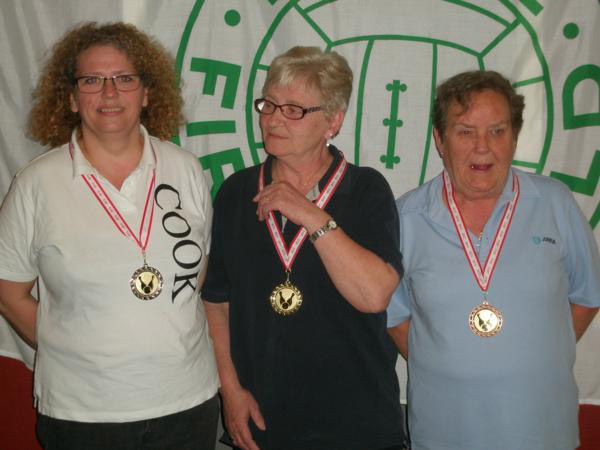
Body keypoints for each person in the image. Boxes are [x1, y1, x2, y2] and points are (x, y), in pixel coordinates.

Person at [0, 22, 219, 449]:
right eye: (92, 80)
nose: (109, 92)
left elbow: (199, 272)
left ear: (147, 93)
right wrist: (72, 349)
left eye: (124, 78)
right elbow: (9, 293)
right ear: (70, 97)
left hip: (188, 401)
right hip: (84, 411)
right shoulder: (36, 183)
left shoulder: (185, 169)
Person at [202, 46, 405, 450]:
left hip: (357, 424)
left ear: (333, 120)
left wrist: (310, 215)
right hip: (264, 421)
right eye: (269, 104)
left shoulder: (365, 189)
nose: (273, 119)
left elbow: (373, 296)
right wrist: (230, 388)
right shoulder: (237, 191)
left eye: (293, 109)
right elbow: (216, 301)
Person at [387, 70, 600, 450]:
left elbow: (587, 296)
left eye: (497, 131)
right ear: (440, 140)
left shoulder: (556, 203)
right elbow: (394, 315)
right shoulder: (405, 218)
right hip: (443, 432)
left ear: (514, 138)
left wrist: (539, 354)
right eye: (465, 132)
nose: (482, 147)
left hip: (543, 430)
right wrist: (446, 363)